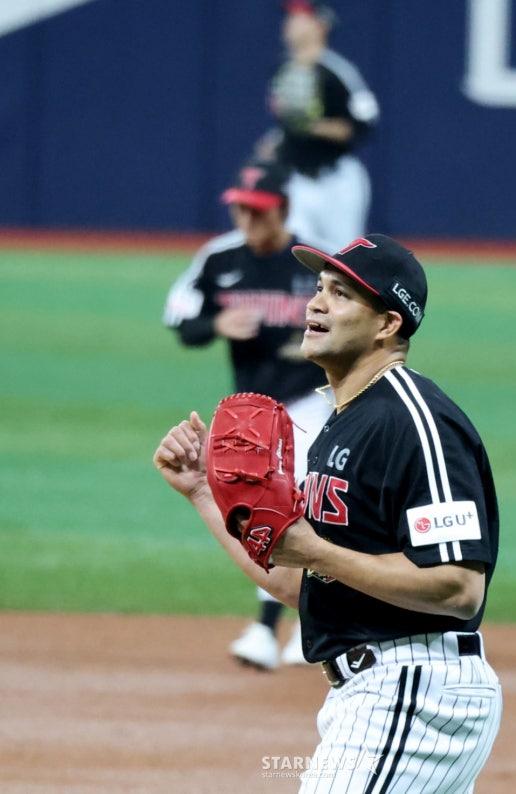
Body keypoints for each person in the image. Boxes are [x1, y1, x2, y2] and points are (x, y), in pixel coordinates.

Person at [154, 234, 503, 792]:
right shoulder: (344, 421)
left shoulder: (413, 420)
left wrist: (315, 548)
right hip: (374, 691)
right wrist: (201, 492)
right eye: (319, 288)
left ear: (388, 324)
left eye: (340, 294)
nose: (314, 303)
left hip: (412, 689)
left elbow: (459, 587)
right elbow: (301, 584)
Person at [162, 158, 331, 670]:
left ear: (282, 210)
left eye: (257, 212)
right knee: (259, 504)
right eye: (240, 210)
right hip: (249, 413)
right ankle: (301, 618)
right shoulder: (219, 258)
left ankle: (270, 628)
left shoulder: (313, 264)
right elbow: (179, 320)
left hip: (312, 402)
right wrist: (216, 323)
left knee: (289, 500)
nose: (247, 221)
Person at [256, 0, 380, 252]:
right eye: (289, 17)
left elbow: (364, 124)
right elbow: (288, 124)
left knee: (344, 261)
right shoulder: (282, 69)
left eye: (298, 18)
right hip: (296, 181)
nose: (289, 23)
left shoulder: (338, 72)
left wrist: (313, 126)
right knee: (295, 254)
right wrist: (277, 139)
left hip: (336, 182)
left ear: (320, 25)